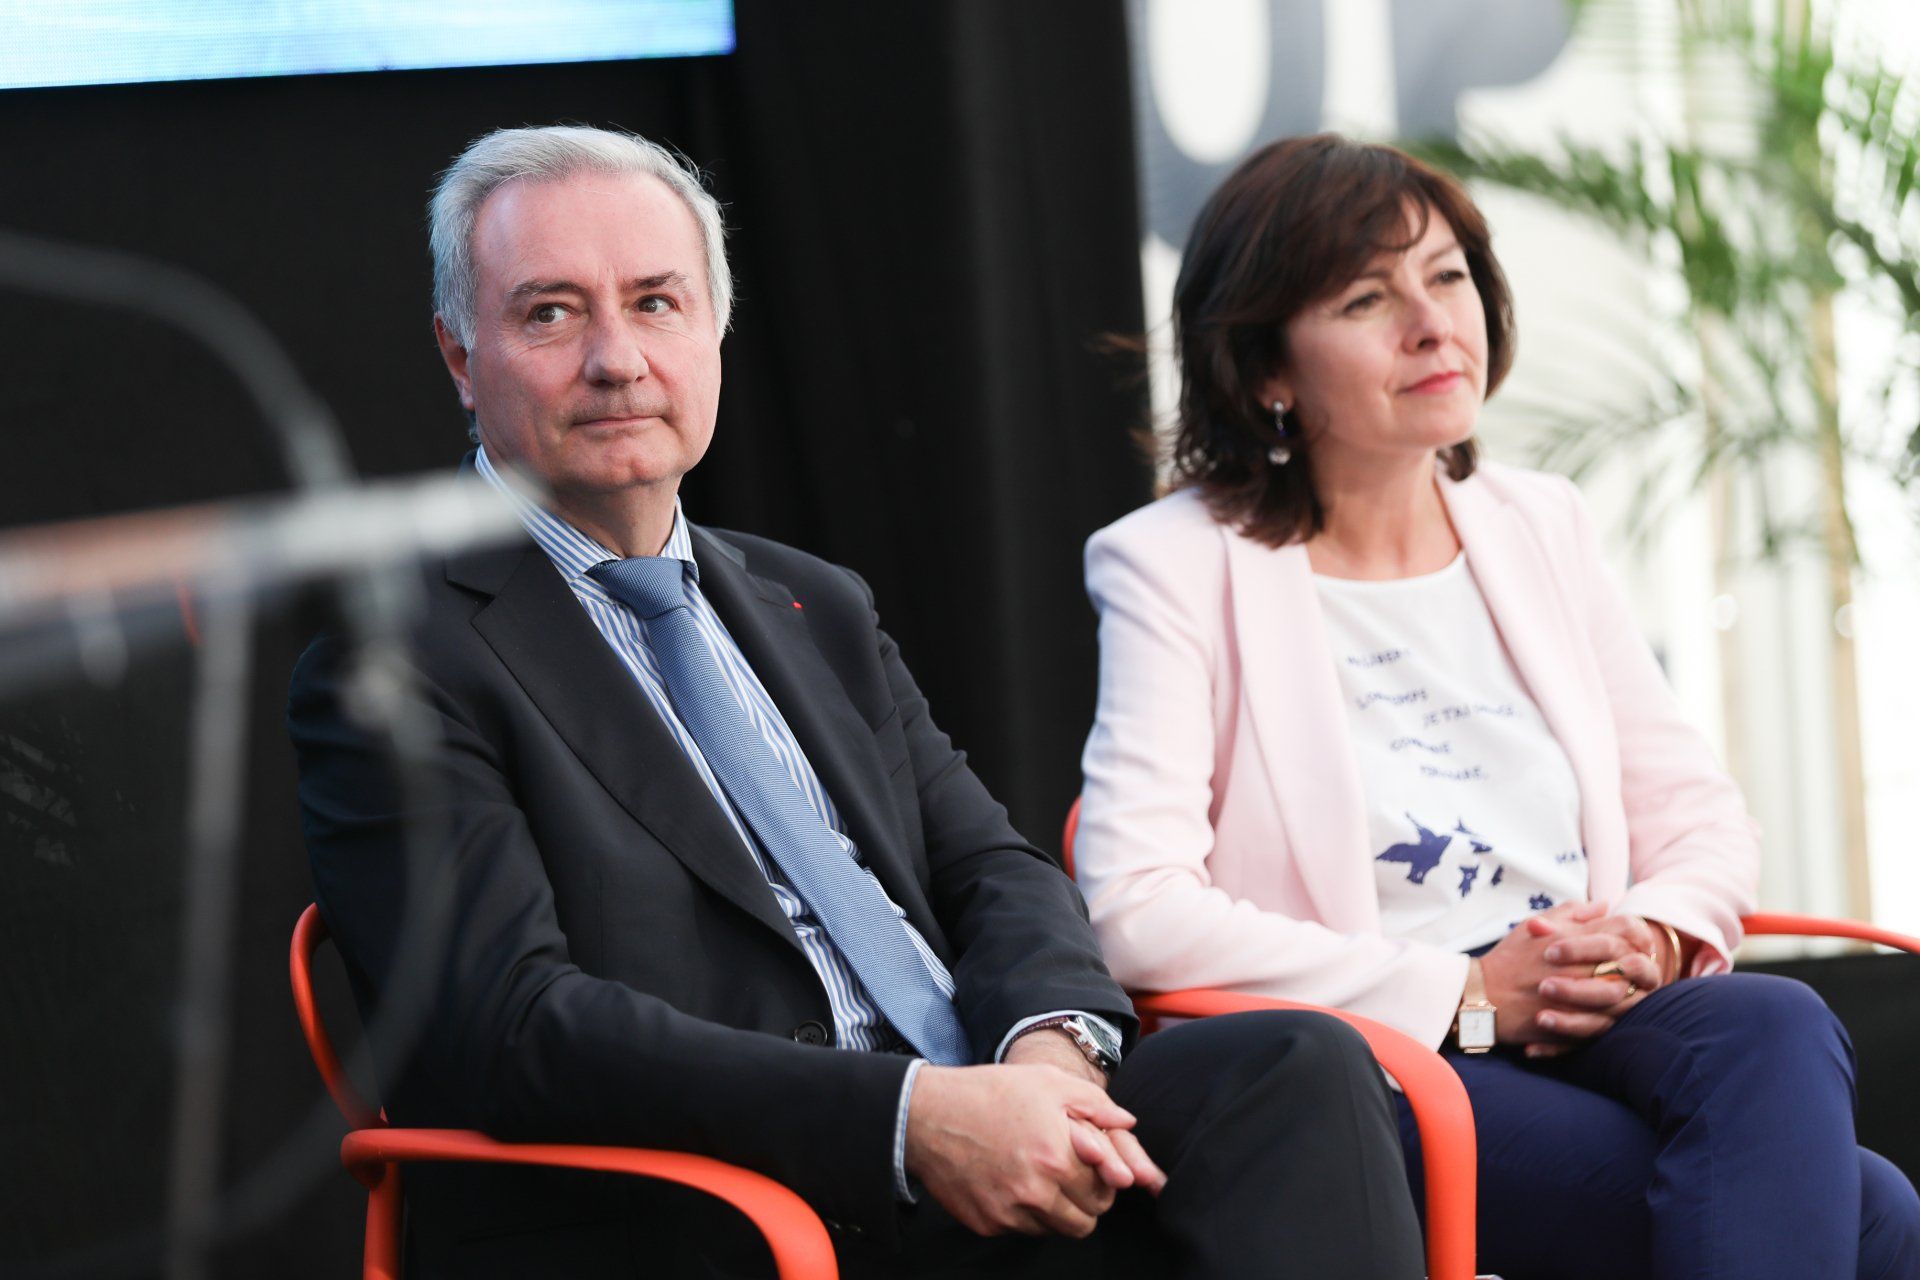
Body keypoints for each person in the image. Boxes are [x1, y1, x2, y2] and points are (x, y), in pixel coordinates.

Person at [288, 124, 1426, 1279]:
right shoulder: (396, 662)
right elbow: (514, 1028)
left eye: (656, 302)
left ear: (715, 329)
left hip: (980, 1123)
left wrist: (1048, 1059)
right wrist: (912, 1119)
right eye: (551, 313)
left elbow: (996, 870)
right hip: (736, 1202)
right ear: (459, 354)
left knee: (1298, 1070)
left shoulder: (810, 602)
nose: (617, 359)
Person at [1074, 133, 1920, 1280]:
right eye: (1368, 299)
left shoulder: (1538, 523)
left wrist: (1651, 933)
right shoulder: (1174, 564)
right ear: (1266, 367)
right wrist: (1471, 991)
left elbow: (1699, 814)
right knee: (1872, 1211)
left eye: (1448, 275)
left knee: (1776, 1019)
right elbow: (1134, 905)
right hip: (1385, 1050)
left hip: (1588, 1003)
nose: (1432, 324)